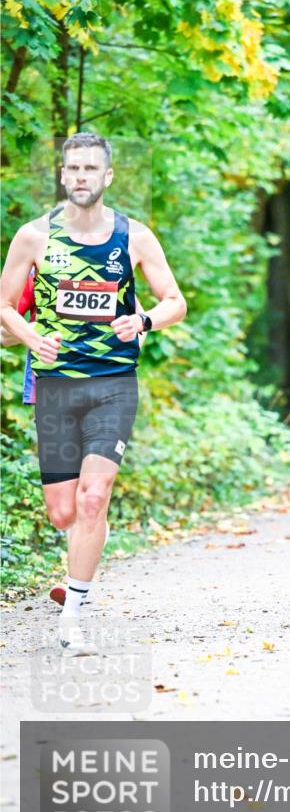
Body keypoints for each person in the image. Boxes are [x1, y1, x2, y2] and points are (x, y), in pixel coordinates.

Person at [0, 132, 186, 654]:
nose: (81, 176)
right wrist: (30, 336)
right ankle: (83, 553)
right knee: (64, 512)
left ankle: (73, 615)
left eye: (90, 169)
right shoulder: (34, 237)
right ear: (63, 175)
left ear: (107, 177)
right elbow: (5, 305)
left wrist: (144, 321)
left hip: (113, 384)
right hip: (56, 387)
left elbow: (175, 301)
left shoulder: (134, 237)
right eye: (73, 168)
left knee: (93, 496)